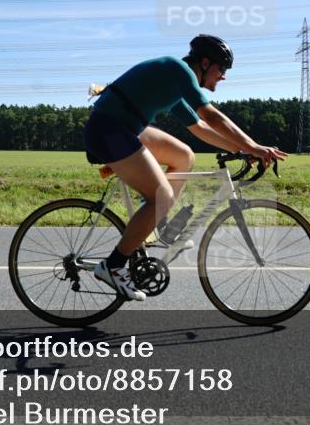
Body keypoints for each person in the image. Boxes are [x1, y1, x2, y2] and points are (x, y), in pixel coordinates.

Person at [83, 34, 288, 301]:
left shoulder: (175, 83)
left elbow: (200, 128)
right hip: (108, 130)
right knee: (162, 197)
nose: (224, 76)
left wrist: (239, 150)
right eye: (222, 69)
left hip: (122, 128)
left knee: (184, 155)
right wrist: (253, 147)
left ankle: (159, 229)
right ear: (204, 63)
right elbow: (210, 116)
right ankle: (113, 266)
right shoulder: (177, 70)